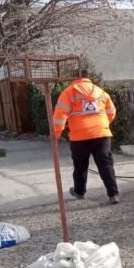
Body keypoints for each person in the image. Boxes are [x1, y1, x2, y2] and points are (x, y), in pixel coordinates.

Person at [53, 69, 120, 204]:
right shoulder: (100, 92)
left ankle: (79, 192)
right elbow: (111, 112)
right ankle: (113, 195)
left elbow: (59, 116)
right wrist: (102, 125)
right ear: (88, 78)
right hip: (102, 134)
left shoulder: (69, 92)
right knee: (105, 164)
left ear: (74, 78)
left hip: (79, 137)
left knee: (80, 166)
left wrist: (56, 135)